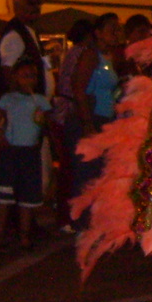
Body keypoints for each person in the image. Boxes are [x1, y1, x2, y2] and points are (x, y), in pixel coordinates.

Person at [0, 58, 52, 250]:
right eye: (25, 75)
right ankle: (0, 234)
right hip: (11, 150)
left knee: (28, 195)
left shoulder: (40, 100)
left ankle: (24, 235)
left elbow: (47, 126)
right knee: (4, 193)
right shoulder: (8, 99)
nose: (29, 79)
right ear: (16, 77)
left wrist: (42, 120)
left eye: (32, 76)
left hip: (30, 152)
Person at [69, 13, 122, 211]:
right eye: (111, 29)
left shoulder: (111, 57)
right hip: (91, 119)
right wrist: (87, 123)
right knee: (86, 174)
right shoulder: (91, 55)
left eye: (118, 29)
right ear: (98, 33)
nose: (116, 33)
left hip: (104, 119)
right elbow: (78, 88)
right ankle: (80, 222)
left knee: (98, 173)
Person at [51, 19, 95, 232]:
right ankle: (68, 217)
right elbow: (77, 86)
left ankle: (65, 216)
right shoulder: (83, 53)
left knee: (68, 166)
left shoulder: (72, 52)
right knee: (72, 167)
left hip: (64, 109)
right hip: (71, 111)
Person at [0, 0, 51, 97]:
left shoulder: (30, 32)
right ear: (16, 7)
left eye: (38, 2)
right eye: (30, 3)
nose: (36, 7)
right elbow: (7, 75)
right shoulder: (14, 35)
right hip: (24, 109)